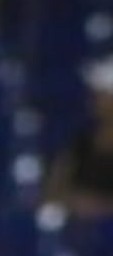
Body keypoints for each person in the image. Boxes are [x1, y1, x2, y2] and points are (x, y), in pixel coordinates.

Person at [46, 61, 113, 220]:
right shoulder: (82, 141)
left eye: (101, 94)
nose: (94, 100)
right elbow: (54, 189)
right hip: (80, 233)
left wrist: (99, 207)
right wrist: (73, 202)